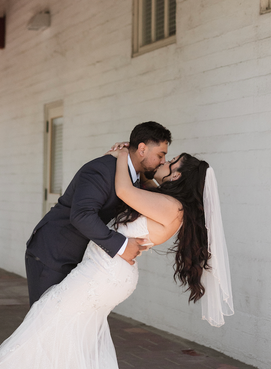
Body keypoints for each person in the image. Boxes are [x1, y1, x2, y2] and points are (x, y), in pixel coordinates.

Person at [0, 144, 240, 369]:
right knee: (64, 335)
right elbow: (134, 189)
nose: (166, 163)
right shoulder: (167, 202)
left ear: (180, 175)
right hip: (102, 272)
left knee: (44, 323)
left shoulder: (172, 206)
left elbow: (123, 188)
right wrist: (128, 162)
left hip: (103, 275)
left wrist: (120, 158)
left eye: (172, 162)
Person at [24, 122, 171, 307]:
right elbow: (81, 215)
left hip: (80, 260)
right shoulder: (101, 170)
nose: (163, 161)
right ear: (142, 149)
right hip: (53, 255)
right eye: (160, 154)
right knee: (43, 322)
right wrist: (122, 246)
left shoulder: (134, 178)